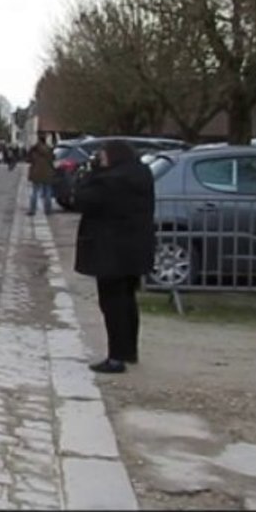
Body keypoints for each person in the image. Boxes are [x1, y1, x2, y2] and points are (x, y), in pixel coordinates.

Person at [74, 140, 156, 374]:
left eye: (102, 156)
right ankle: (129, 351)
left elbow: (81, 198)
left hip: (111, 250)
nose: (100, 160)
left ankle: (117, 356)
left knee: (113, 304)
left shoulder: (110, 180)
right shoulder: (140, 173)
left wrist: (92, 173)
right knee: (127, 300)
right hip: (133, 248)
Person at [27, 135, 55, 216]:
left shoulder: (34, 150)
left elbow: (28, 159)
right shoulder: (49, 149)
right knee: (48, 192)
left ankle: (32, 210)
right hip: (47, 173)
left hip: (36, 172)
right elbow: (53, 159)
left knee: (35, 192)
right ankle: (48, 210)